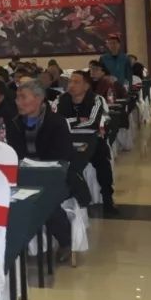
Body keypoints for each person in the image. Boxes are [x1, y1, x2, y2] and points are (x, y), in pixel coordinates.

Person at [5, 80, 80, 264]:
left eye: (23, 98)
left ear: (39, 99)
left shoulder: (56, 122)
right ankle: (15, 243)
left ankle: (65, 242)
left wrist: (37, 165)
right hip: (24, 174)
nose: (18, 102)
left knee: (45, 200)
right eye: (17, 98)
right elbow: (14, 153)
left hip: (55, 175)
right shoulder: (14, 122)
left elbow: (62, 156)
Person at [57, 70, 117, 215]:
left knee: (102, 161)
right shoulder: (62, 99)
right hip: (67, 140)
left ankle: (107, 199)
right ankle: (75, 199)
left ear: (86, 86)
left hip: (93, 139)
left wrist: (69, 123)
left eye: (76, 82)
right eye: (70, 82)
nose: (71, 85)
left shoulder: (96, 99)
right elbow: (57, 122)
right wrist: (78, 120)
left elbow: (93, 122)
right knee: (64, 164)